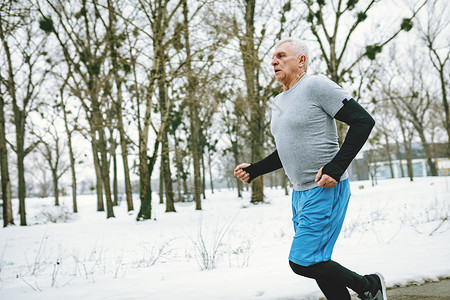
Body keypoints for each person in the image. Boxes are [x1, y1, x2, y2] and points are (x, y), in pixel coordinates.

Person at [234, 38, 386, 300]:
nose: (274, 61)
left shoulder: (316, 86)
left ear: (301, 60)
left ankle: (368, 285)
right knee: (317, 262)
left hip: (325, 188)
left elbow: (363, 121)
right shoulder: (278, 102)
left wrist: (336, 168)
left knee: (302, 261)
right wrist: (255, 169)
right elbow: (287, 151)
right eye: (273, 58)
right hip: (300, 193)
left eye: (281, 56)